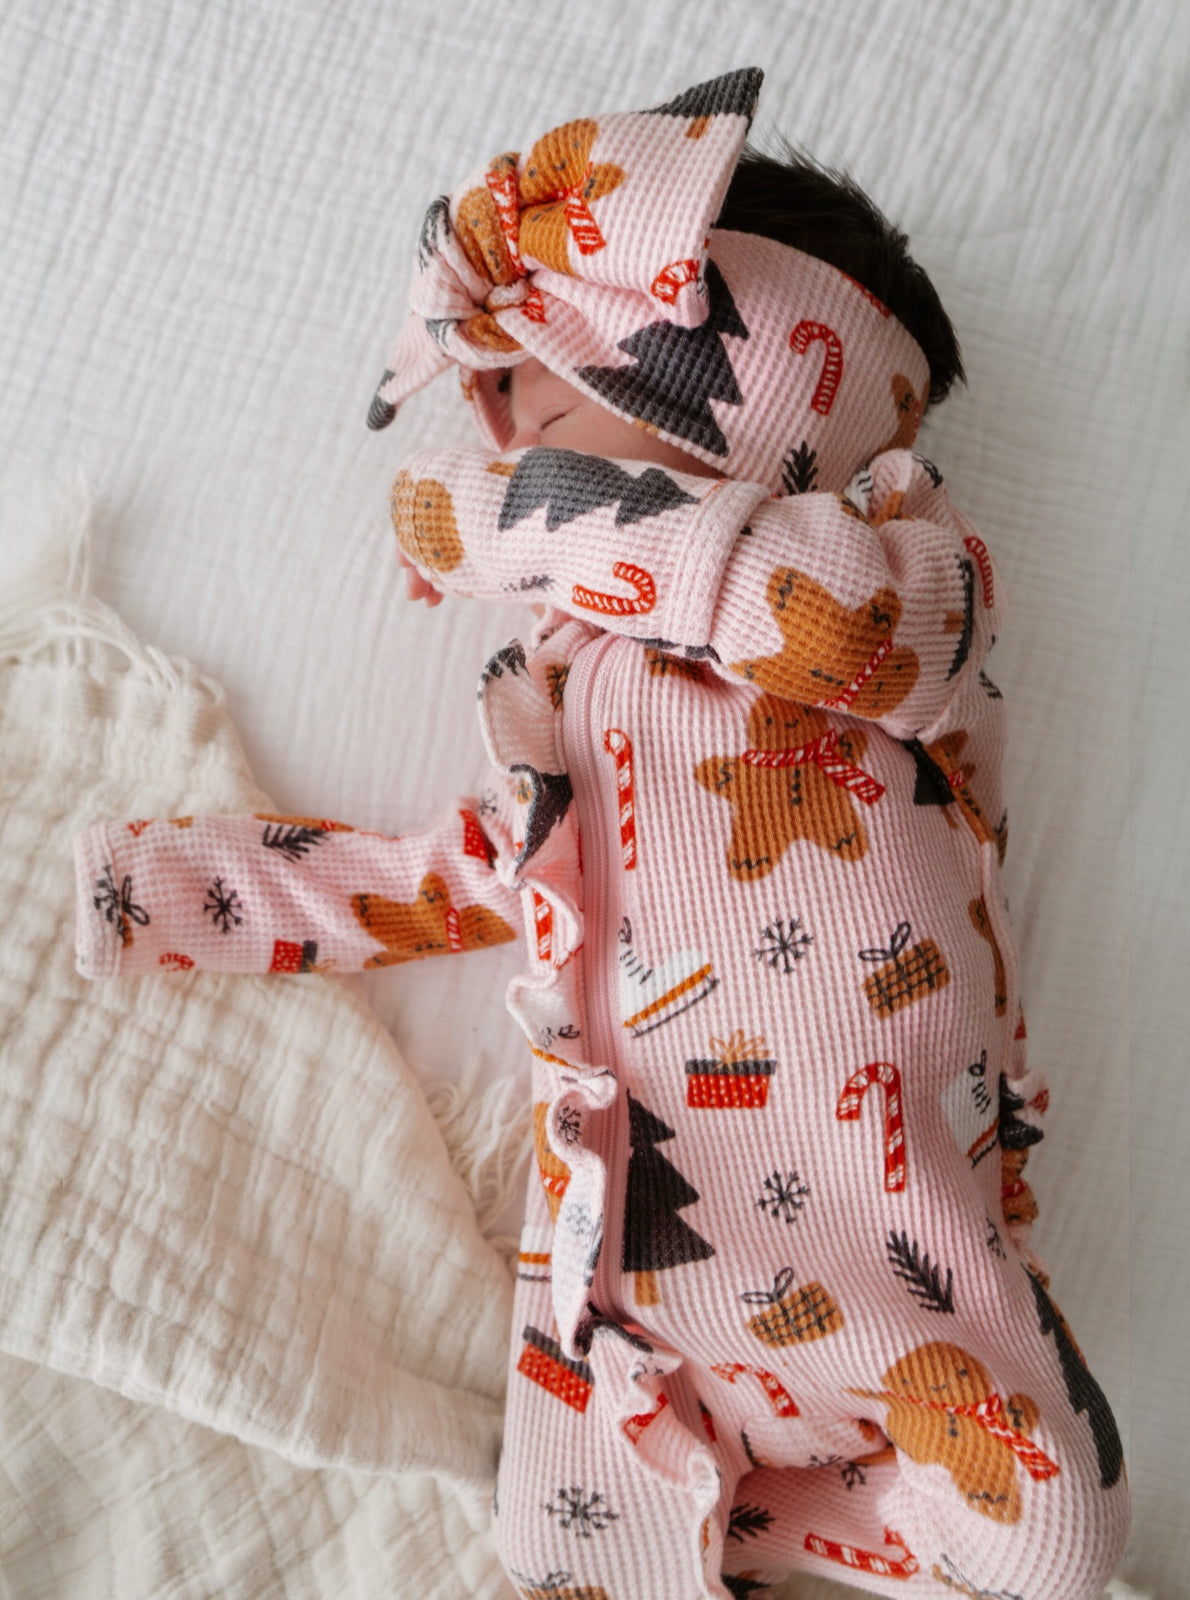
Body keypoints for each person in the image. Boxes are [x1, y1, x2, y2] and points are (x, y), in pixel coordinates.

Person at [73, 69, 1128, 1599]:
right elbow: (454, 880)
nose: (492, 427)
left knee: (1060, 1543)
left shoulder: (909, 576)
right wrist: (157, 894)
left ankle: (788, 1513)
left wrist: (521, 520)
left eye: (534, 395)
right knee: (557, 1549)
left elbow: (817, 620)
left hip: (912, 1278)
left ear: (748, 394)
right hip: (635, 1296)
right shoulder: (570, 694)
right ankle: (725, 1524)